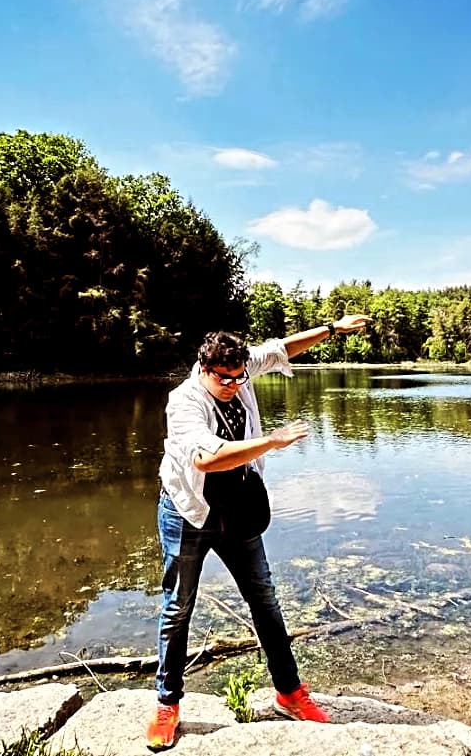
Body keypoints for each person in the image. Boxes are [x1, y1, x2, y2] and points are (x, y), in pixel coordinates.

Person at [146, 315, 372, 749]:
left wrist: (334, 329)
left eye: (240, 377)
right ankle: (167, 704)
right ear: (204, 369)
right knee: (178, 607)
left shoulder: (242, 366)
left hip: (240, 508)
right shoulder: (184, 402)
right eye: (226, 379)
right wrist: (272, 441)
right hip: (189, 512)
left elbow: (283, 347)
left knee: (264, 599)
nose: (235, 385)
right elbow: (205, 460)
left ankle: (289, 693)